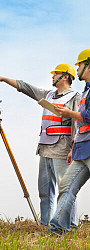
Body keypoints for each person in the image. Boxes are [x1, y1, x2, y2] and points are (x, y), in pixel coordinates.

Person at [0, 63, 81, 226]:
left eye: (56, 73)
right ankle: (46, 224)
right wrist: (4, 79)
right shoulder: (48, 95)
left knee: (65, 190)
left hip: (63, 150)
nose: (52, 76)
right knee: (45, 192)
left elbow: (78, 124)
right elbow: (25, 88)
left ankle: (70, 225)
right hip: (45, 149)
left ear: (65, 76)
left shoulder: (75, 97)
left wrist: (74, 148)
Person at [46, 49, 90, 235]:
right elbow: (81, 126)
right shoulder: (86, 92)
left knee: (66, 188)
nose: (78, 67)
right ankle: (57, 230)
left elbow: (87, 117)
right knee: (66, 187)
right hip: (82, 150)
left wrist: (68, 113)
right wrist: (74, 147)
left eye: (80, 64)